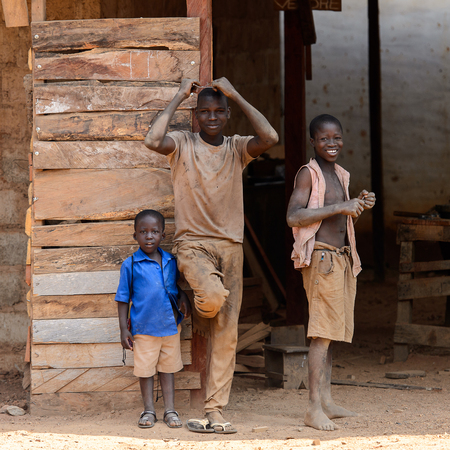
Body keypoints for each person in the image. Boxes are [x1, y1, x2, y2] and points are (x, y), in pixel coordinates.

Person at [144, 77, 278, 433]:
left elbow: (271, 138)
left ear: (228, 114)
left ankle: (215, 409)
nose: (212, 117)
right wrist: (177, 97)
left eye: (219, 111)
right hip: (193, 245)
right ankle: (199, 304)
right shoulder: (183, 144)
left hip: (231, 248)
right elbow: (152, 139)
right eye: (204, 111)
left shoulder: (237, 148)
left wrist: (237, 93)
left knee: (226, 335)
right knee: (215, 298)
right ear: (196, 116)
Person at [286, 114, 376, 431]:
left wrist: (358, 205)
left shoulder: (338, 174)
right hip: (322, 259)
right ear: (313, 142)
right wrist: (340, 207)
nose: (332, 143)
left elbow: (341, 221)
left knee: (333, 333)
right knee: (322, 334)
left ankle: (326, 400)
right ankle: (313, 408)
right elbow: (294, 216)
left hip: (341, 258)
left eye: (336, 137)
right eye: (324, 138)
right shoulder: (308, 175)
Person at [116, 209, 191, 429]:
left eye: (155, 231)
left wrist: (183, 295)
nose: (149, 236)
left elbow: (172, 287)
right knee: (146, 371)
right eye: (143, 232)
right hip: (143, 328)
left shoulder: (170, 260)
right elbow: (122, 298)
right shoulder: (130, 265)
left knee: (168, 369)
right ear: (135, 236)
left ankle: (170, 410)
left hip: (170, 327)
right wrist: (123, 329)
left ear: (163, 236)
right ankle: (148, 410)